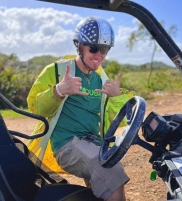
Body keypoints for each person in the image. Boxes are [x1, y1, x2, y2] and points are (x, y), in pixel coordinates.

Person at [27, 16, 134, 201]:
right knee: (111, 170)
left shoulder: (101, 79)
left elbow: (120, 119)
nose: (99, 56)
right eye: (94, 48)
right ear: (79, 46)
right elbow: (36, 109)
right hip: (67, 144)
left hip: (94, 143)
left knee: (107, 174)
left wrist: (116, 97)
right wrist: (59, 90)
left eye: (104, 49)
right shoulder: (57, 71)